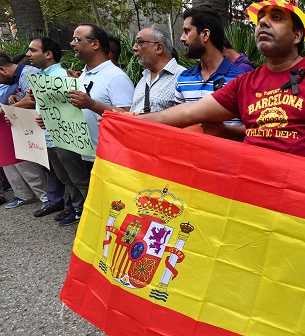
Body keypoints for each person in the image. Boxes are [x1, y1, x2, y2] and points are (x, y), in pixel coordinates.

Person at [134, 0, 305, 169]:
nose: (263, 22)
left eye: (277, 17)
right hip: (253, 199)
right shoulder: (244, 83)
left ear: (296, 35)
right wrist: (133, 122)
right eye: (261, 18)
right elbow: (189, 113)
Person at [67, 23, 134, 224]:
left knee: (117, 203)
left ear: (95, 44)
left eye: (78, 39)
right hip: (88, 152)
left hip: (110, 156)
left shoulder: (116, 78)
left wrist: (92, 104)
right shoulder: (85, 73)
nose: (72, 43)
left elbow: (128, 118)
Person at [26, 37, 92, 222]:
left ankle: (92, 215)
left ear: (48, 54)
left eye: (33, 50)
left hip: (65, 138)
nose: (28, 54)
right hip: (49, 138)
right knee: (65, 178)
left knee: (79, 179)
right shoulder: (42, 78)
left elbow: (71, 109)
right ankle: (79, 211)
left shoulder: (62, 77)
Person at [175, 6, 244, 140]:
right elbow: (178, 123)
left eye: (187, 31)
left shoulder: (241, 79)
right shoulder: (183, 79)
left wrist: (227, 132)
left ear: (205, 34)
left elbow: (255, 130)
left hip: (227, 159)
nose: (182, 38)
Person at [0, 55, 48, 210]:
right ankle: (50, 199)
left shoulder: (28, 74)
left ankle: (52, 199)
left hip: (40, 126)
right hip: (31, 124)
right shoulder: (18, 77)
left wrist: (9, 108)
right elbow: (24, 98)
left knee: (32, 164)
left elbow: (33, 100)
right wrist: (17, 97)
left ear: (2, 69)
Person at [130, 26, 187, 113]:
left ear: (159, 48)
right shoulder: (143, 79)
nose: (134, 48)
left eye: (140, 42)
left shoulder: (183, 77)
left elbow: (191, 118)